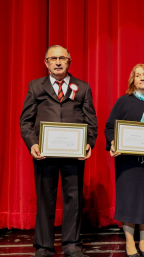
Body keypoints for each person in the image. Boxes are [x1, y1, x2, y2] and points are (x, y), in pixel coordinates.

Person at [20, 45, 98, 257]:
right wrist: (33, 144)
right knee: (45, 199)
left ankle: (72, 244)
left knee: (73, 199)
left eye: (62, 58)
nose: (57, 62)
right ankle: (44, 246)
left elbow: (91, 121)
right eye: (53, 58)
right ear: (46, 63)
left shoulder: (82, 87)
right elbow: (25, 122)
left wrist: (89, 142)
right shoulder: (36, 86)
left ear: (69, 62)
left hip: (74, 154)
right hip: (44, 154)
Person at [105, 64, 144, 257]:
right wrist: (113, 142)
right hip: (127, 163)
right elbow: (109, 128)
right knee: (129, 200)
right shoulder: (123, 102)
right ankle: (130, 242)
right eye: (137, 75)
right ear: (132, 80)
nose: (141, 78)